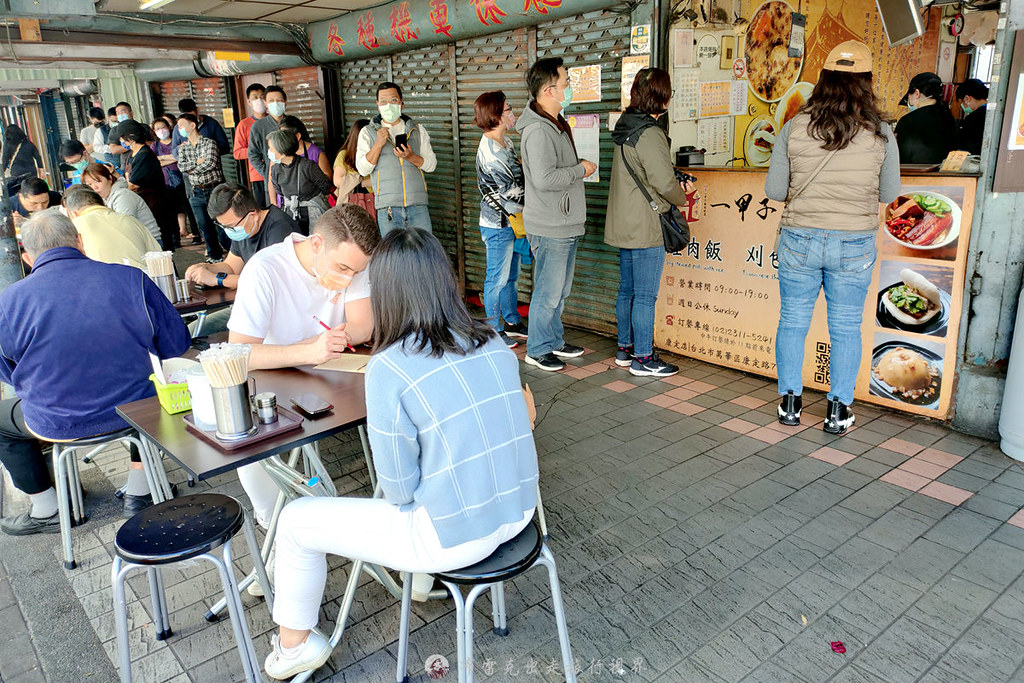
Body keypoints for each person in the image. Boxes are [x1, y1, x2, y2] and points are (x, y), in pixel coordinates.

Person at [261, 227, 537, 680]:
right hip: (519, 511)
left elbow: (400, 491)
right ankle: (418, 585)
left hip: (454, 539)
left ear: (384, 290)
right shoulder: (494, 341)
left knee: (294, 521)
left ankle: (293, 647)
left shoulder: (389, 366)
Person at [0, 209, 190, 533]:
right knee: (144, 397)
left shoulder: (8, 302)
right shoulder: (131, 280)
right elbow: (175, 344)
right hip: (135, 410)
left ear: (28, 257)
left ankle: (47, 508)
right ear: (79, 242)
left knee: (3, 422)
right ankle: (139, 490)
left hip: (55, 420)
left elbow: (8, 373)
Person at [226, 206, 378, 595]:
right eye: (343, 269)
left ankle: (363, 525)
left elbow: (365, 324)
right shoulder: (265, 269)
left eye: (356, 273)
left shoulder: (353, 261)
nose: (348, 279)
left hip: (332, 374)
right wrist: (308, 351)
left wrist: (334, 338)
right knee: (251, 453)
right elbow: (239, 354)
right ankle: (276, 530)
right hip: (274, 384)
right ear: (316, 244)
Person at [765, 40, 900, 435]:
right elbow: (889, 194)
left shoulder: (793, 126)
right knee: (844, 327)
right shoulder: (882, 132)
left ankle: (790, 404)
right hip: (853, 243)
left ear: (823, 79)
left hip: (799, 238)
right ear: (866, 82)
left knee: (792, 321)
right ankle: (838, 411)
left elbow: (775, 189)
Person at [606, 68, 692, 378]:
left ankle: (625, 349)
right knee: (644, 295)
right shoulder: (650, 133)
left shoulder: (625, 127)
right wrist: (681, 195)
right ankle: (643, 357)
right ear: (663, 99)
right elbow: (662, 181)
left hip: (624, 224)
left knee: (627, 290)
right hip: (645, 225)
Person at [516, 57, 597, 371]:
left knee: (559, 291)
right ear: (549, 90)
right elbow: (545, 179)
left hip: (564, 222)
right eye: (565, 83)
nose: (569, 88)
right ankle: (537, 349)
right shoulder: (538, 130)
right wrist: (580, 170)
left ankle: (553, 341)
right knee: (548, 292)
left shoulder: (554, 123)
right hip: (550, 225)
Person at [184, 182, 298, 334]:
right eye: (223, 227)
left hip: (279, 312)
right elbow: (231, 266)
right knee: (191, 331)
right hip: (251, 306)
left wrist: (218, 280)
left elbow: (270, 283)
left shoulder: (279, 229)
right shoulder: (245, 227)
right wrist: (204, 267)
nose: (228, 232)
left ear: (253, 215)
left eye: (230, 227)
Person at [473, 91, 528, 348]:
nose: (511, 113)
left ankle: (512, 321)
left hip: (513, 220)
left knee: (510, 276)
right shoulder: (491, 152)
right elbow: (512, 190)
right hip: (498, 223)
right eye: (507, 109)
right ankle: (493, 329)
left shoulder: (507, 142)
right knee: (497, 277)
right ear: (495, 115)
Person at [356, 82, 437, 233]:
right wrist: (378, 144)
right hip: (388, 209)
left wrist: (411, 157)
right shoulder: (367, 132)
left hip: (418, 205)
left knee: (422, 252)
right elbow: (362, 168)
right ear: (378, 105)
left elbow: (431, 165)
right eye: (383, 101)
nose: (388, 105)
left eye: (393, 100)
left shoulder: (417, 130)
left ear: (401, 103)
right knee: (393, 255)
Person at [64, 185, 161, 269]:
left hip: (104, 283)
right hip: (143, 281)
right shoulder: (131, 220)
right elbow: (157, 255)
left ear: (74, 213)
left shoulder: (75, 225)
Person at [176, 112, 228, 262]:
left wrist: (191, 168)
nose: (179, 129)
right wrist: (197, 163)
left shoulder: (209, 143)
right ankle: (214, 256)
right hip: (195, 190)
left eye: (181, 125)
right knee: (205, 226)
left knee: (222, 224)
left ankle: (234, 253)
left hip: (214, 188)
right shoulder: (183, 148)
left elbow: (210, 164)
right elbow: (181, 166)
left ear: (192, 125)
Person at [120, 121, 178, 250]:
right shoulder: (131, 155)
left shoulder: (145, 155)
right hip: (142, 205)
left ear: (130, 138)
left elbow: (133, 185)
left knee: (160, 248)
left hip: (154, 206)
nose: (121, 141)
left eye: (122, 138)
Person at [268, 129, 332, 234]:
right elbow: (278, 191)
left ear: (281, 150)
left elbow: (325, 186)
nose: (269, 151)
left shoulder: (308, 166)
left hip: (315, 213)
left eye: (271, 148)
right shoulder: (275, 169)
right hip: (291, 214)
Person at [81, 163, 161, 245]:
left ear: (110, 179)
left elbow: (123, 227)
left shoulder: (122, 195)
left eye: (97, 181)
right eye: (89, 184)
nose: (94, 187)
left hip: (149, 244)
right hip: (132, 242)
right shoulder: (104, 199)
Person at [894, 72, 958, 165]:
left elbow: (900, 157)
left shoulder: (908, 121)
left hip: (916, 176)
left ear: (917, 93)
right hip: (946, 176)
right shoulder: (949, 118)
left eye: (908, 97)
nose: (909, 102)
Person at [151, 117, 194, 245]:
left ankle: (195, 233)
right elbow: (155, 162)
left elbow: (181, 156)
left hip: (181, 179)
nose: (161, 131)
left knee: (187, 207)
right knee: (171, 211)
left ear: (169, 127)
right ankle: (176, 239)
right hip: (165, 182)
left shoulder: (176, 142)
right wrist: (173, 158)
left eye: (163, 127)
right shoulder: (155, 145)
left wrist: (164, 159)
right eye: (157, 129)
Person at [248, 85, 289, 201]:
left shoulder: (294, 123)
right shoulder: (258, 127)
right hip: (272, 186)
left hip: (295, 180)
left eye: (279, 100)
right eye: (271, 101)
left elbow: (305, 148)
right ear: (265, 103)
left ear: (285, 102)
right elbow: (253, 155)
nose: (275, 103)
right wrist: (267, 173)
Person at [233, 83, 270, 209]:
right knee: (262, 208)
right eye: (255, 97)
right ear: (249, 102)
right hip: (258, 175)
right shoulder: (244, 125)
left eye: (261, 97)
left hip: (279, 173)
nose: (259, 100)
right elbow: (237, 153)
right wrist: (257, 150)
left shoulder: (274, 121)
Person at [281, 116, 332, 181]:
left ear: (298, 136)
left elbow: (328, 177)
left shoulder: (315, 152)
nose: (282, 139)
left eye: (285, 135)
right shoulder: (280, 153)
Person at [333, 119, 371, 203]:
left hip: (374, 199)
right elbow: (337, 181)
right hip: (353, 200)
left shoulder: (375, 152)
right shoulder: (344, 155)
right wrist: (361, 183)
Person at [2, 124, 43, 194]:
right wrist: (41, 170)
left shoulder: (8, 145)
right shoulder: (29, 144)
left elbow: (5, 161)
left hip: (17, 172)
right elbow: (38, 157)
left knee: (20, 192)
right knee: (32, 191)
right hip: (31, 171)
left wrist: (2, 172)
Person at [956, 78, 989, 156]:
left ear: (967, 98)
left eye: (963, 103)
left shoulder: (974, 118)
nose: (963, 107)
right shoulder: (993, 112)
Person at [104, 101, 138, 167]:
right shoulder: (115, 130)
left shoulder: (143, 127)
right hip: (127, 166)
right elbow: (114, 150)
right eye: (118, 113)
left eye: (123, 112)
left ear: (131, 113)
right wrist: (133, 146)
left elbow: (153, 143)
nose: (121, 115)